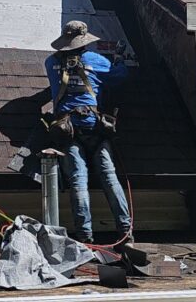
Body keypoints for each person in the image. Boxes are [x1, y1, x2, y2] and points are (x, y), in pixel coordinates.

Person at [44, 21, 132, 244]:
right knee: (110, 178)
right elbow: (120, 76)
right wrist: (119, 60)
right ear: (83, 40)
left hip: (67, 129)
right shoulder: (96, 61)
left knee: (78, 181)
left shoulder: (50, 62)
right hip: (95, 126)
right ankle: (125, 233)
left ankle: (85, 238)